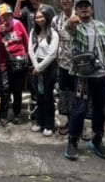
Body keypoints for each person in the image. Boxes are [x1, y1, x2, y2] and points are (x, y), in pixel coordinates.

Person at [64, 0, 105, 161]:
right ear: (76, 11)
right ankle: (72, 140)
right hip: (83, 76)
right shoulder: (75, 26)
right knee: (79, 109)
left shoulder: (101, 27)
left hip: (102, 74)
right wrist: (70, 22)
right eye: (80, 7)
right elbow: (69, 29)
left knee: (100, 109)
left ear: (92, 10)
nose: (84, 9)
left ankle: (97, 140)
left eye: (86, 6)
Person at [0, 3, 31, 127]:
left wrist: (27, 58)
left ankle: (17, 114)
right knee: (4, 91)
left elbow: (26, 41)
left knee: (17, 91)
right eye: (3, 17)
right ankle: (2, 116)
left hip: (20, 63)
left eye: (8, 15)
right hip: (5, 64)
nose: (7, 19)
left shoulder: (18, 24)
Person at [29, 8, 59, 136]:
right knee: (38, 96)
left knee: (48, 96)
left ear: (47, 17)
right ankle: (39, 122)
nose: (39, 19)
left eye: (42, 17)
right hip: (37, 67)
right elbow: (30, 50)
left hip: (49, 67)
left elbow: (52, 54)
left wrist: (40, 68)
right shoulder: (33, 32)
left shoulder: (53, 33)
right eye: (37, 17)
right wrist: (36, 67)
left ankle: (49, 125)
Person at [52, 0, 77, 117]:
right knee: (62, 89)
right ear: (59, 2)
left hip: (78, 62)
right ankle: (64, 117)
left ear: (72, 1)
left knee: (76, 90)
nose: (65, 1)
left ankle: (75, 116)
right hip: (62, 61)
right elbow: (53, 40)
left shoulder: (79, 17)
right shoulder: (56, 20)